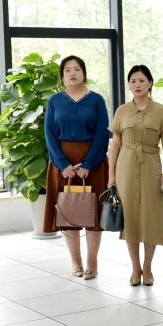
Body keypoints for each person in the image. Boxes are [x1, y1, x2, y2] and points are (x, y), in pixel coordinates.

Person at [43, 56, 110, 280]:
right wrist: (63, 164)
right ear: (62, 75)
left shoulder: (96, 100)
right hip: (63, 164)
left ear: (84, 73)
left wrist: (89, 164)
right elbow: (49, 135)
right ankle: (76, 260)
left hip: (93, 162)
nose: (72, 73)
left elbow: (102, 134)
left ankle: (92, 260)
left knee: (93, 213)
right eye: (68, 70)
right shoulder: (55, 101)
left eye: (77, 69)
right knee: (68, 211)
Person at [108, 65, 163, 286]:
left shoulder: (160, 111)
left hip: (151, 165)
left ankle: (148, 267)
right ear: (129, 85)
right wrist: (111, 175)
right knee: (130, 219)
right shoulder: (122, 111)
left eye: (142, 80)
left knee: (150, 217)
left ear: (150, 83)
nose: (137, 85)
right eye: (133, 81)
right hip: (125, 166)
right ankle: (135, 268)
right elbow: (115, 144)